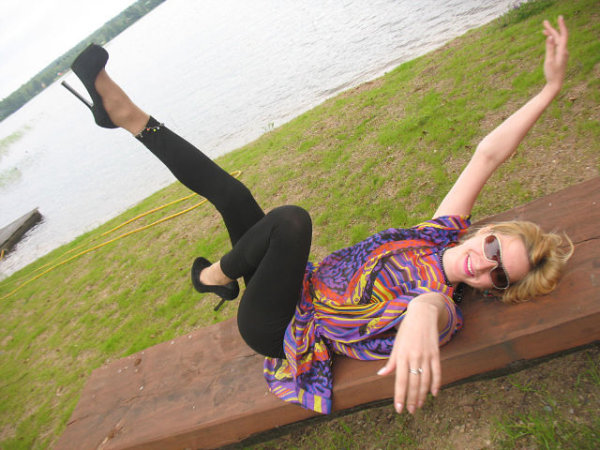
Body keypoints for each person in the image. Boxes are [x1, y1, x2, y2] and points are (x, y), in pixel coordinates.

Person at [63, 17, 572, 416]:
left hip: (280, 327)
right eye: (493, 250)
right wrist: (548, 90)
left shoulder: (445, 308)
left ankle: (214, 277)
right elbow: (487, 155)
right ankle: (124, 114)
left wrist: (423, 311)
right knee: (232, 194)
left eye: (498, 277)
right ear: (486, 231)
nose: (483, 266)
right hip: (294, 284)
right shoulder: (438, 235)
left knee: (291, 222)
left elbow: (430, 309)